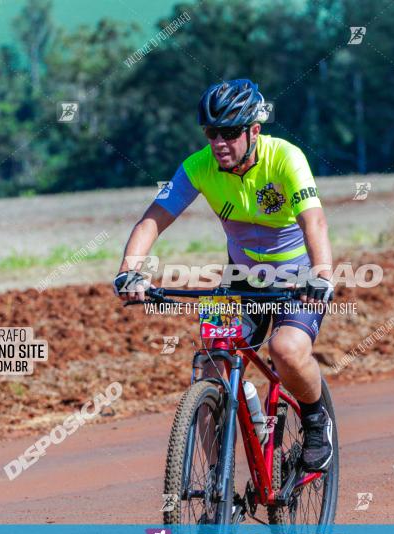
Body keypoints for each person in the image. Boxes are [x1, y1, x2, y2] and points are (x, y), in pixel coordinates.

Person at [114, 79, 334, 471]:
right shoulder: (198, 167)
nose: (219, 142)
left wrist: (320, 275)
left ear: (254, 131)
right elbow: (152, 220)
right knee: (210, 365)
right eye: (212, 132)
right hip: (241, 279)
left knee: (284, 350)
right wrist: (130, 271)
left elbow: (313, 221)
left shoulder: (286, 157)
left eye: (230, 133)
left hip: (296, 278)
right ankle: (218, 482)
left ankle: (317, 422)